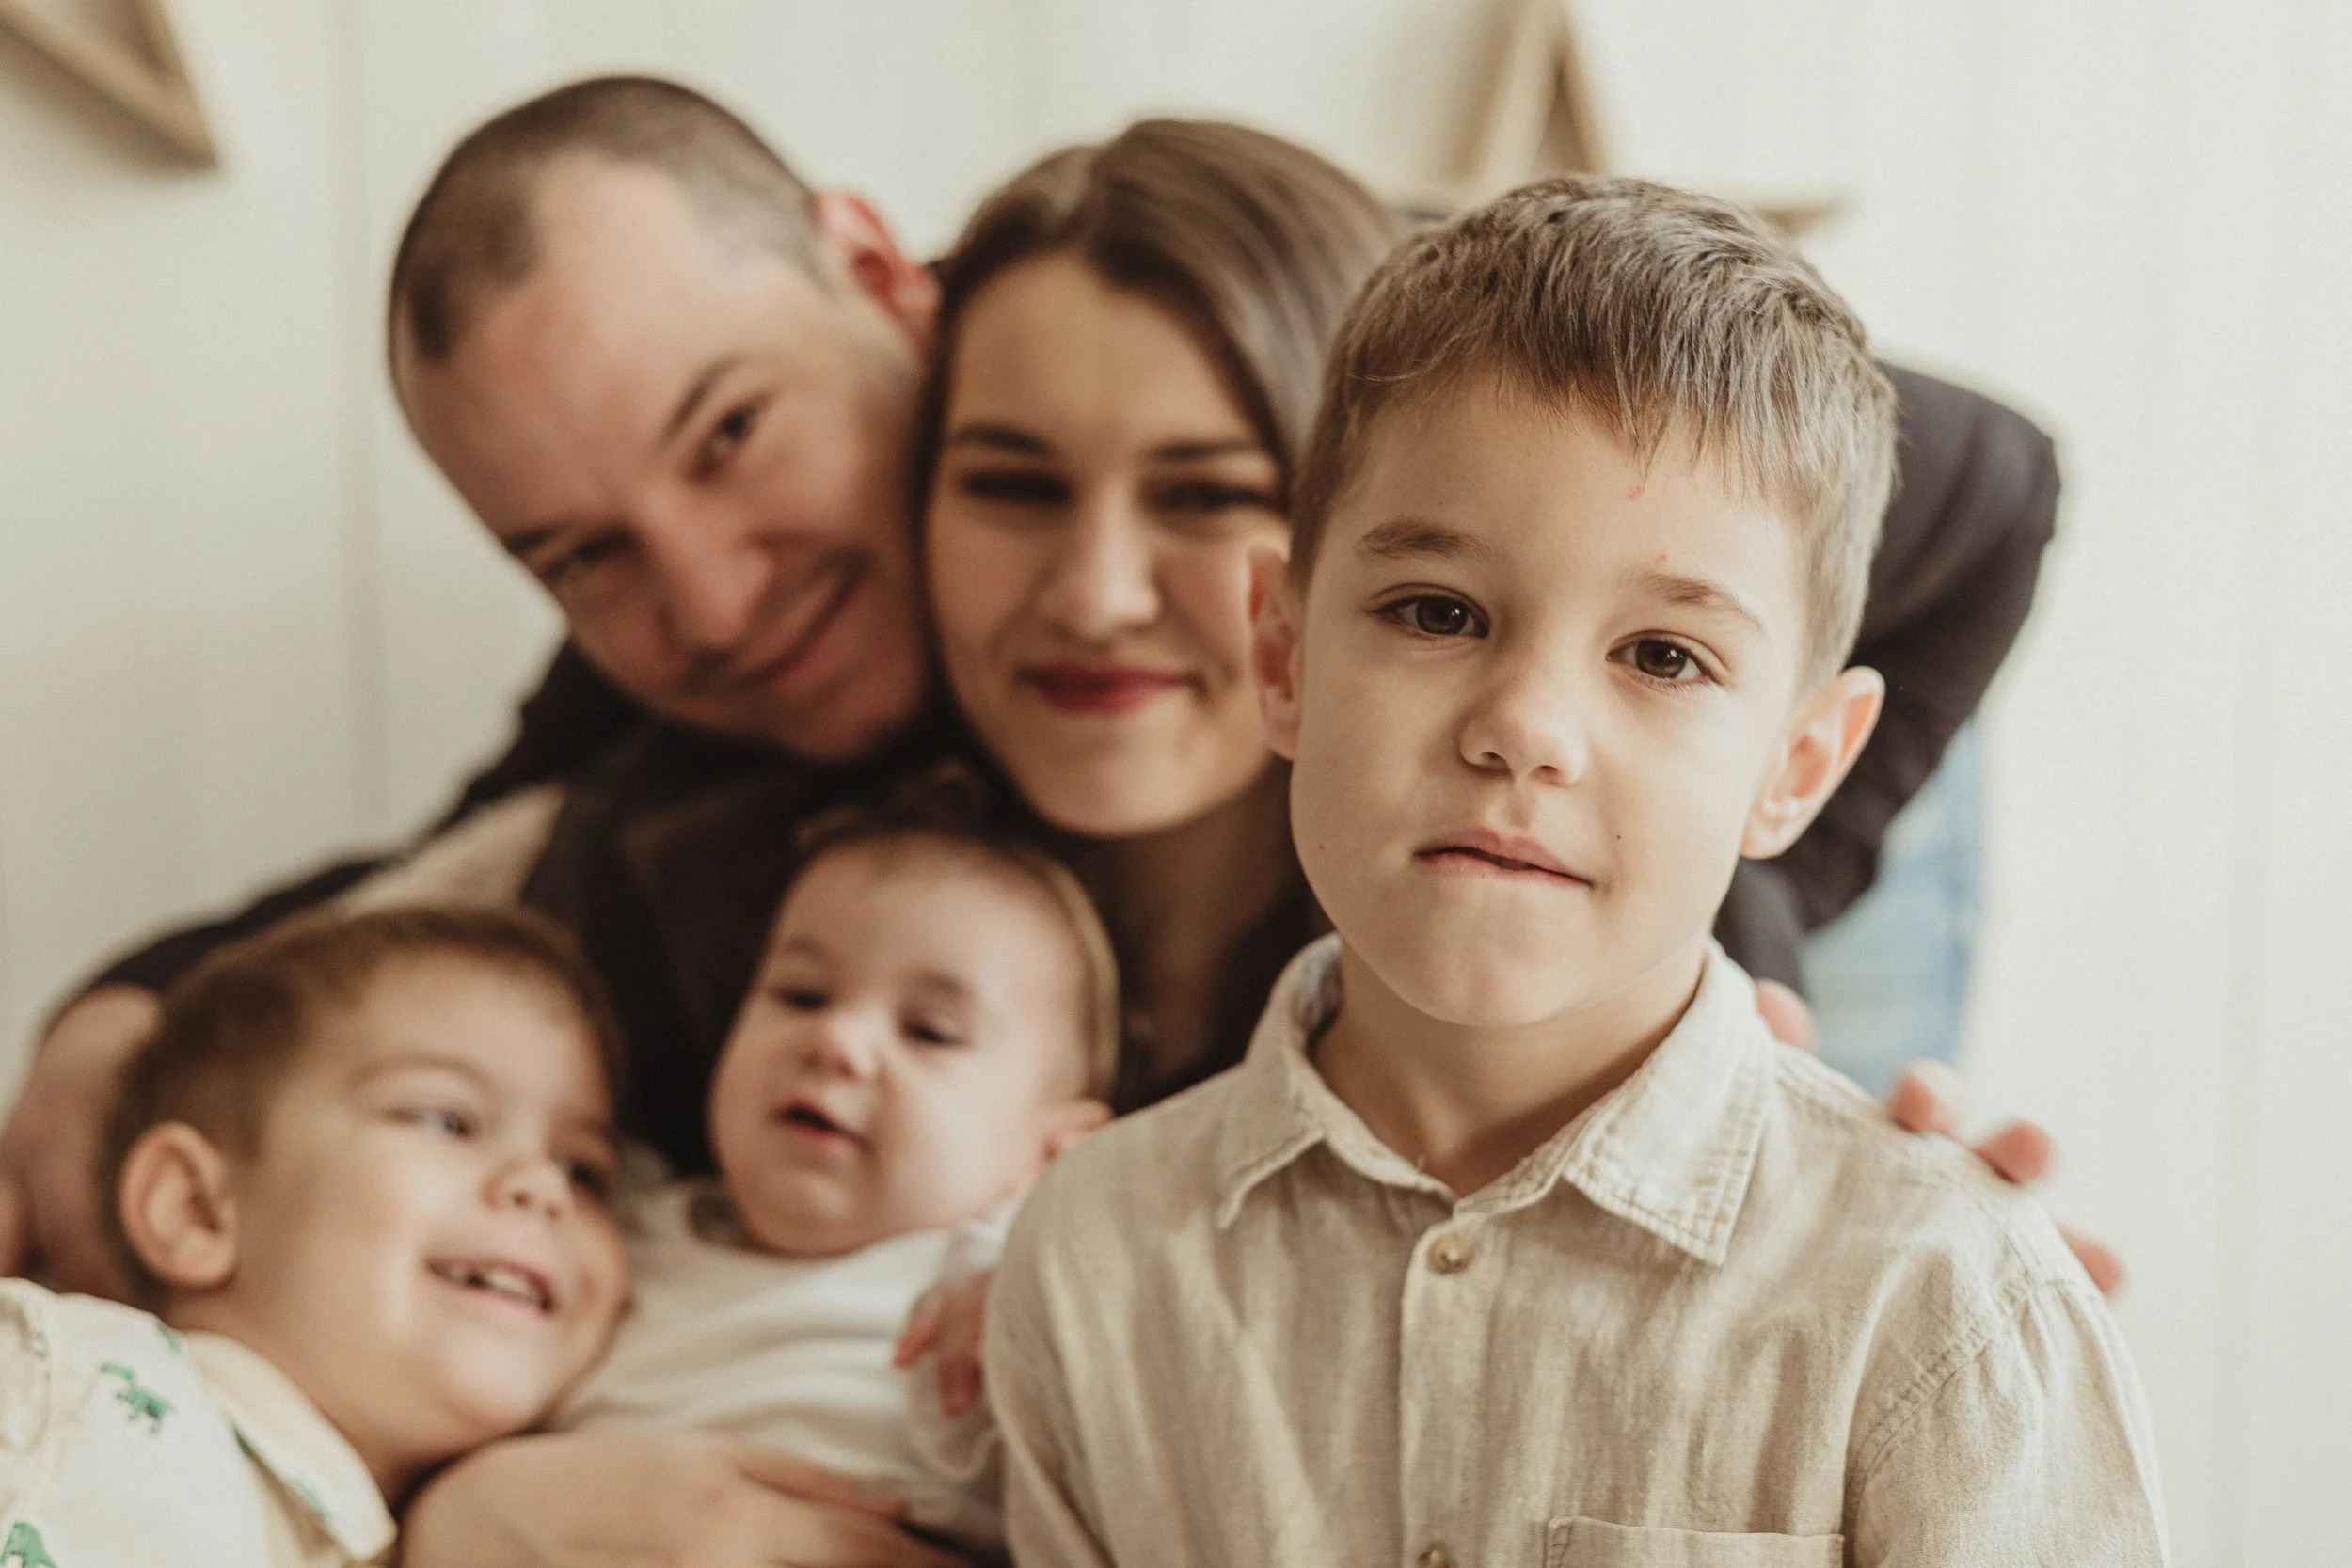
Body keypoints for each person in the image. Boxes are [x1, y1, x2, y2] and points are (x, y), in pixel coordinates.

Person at [0, 81, 2081, 1568]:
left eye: (1193, 488)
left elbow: (1957, 481)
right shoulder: (727, 796)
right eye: (1004, 484)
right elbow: (435, 901)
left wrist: (1762, 903)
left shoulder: (1479, 588)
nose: (714, 598)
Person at [985, 174, 2166, 1566]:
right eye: (1439, 610)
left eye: (1664, 654)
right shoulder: (1088, 1254)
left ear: (1800, 764)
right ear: (1284, 655)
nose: (1523, 729)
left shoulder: (1945, 1308)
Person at [556, 783, 1116, 1554]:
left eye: (929, 1030)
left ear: (1054, 1153)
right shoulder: (621, 1230)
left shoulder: (995, 1282)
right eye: (801, 993)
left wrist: (1041, 1272)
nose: (836, 1041)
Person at [0, 906, 630, 1567]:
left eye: (584, 1170)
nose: (543, 1185)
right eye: (447, 1120)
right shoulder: (67, 1395)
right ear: (197, 1210)